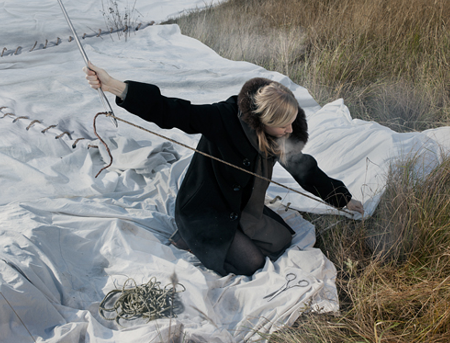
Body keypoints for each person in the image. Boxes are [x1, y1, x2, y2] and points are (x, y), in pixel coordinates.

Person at [84, 63, 364, 276]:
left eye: (292, 122)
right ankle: (188, 236)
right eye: (283, 126)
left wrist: (342, 199)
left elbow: (303, 168)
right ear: (263, 121)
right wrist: (115, 87)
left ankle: (225, 236)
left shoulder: (278, 134)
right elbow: (172, 111)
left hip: (240, 206)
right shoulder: (223, 118)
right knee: (252, 263)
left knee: (281, 240)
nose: (290, 130)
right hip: (206, 209)